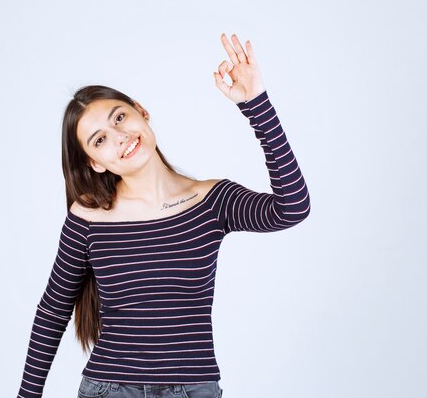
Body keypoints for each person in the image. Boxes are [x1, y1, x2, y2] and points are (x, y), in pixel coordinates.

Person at [16, 32, 311, 398]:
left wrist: (257, 105)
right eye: (100, 139)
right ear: (95, 162)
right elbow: (52, 312)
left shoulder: (210, 200)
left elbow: (292, 207)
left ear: (141, 111)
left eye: (120, 118)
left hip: (193, 389)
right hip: (110, 389)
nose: (119, 136)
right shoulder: (88, 218)